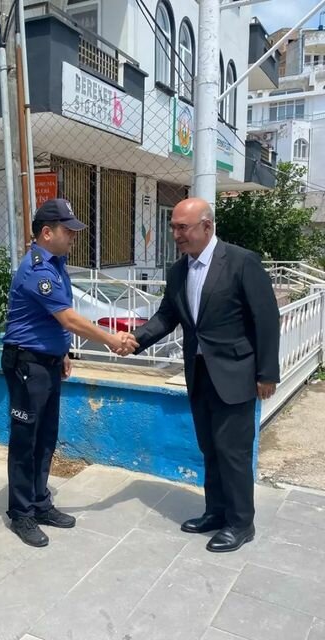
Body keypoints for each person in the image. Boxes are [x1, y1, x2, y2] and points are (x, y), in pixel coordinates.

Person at [130, 197, 280, 553]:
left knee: (233, 452)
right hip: (199, 374)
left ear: (207, 226)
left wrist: (267, 373)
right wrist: (134, 340)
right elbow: (167, 316)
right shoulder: (178, 271)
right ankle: (216, 512)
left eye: (182, 227)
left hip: (236, 374)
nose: (175, 234)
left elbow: (266, 318)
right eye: (173, 227)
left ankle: (241, 523)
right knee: (210, 447)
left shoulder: (241, 262)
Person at [2, 198, 138, 548]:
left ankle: (40, 502)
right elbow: (68, 318)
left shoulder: (57, 264)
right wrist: (111, 339)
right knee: (26, 440)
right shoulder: (38, 270)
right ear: (47, 233)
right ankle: (21, 513)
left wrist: (61, 352)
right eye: (68, 231)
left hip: (46, 362)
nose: (74, 237)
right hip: (27, 365)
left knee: (46, 437)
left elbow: (50, 320)